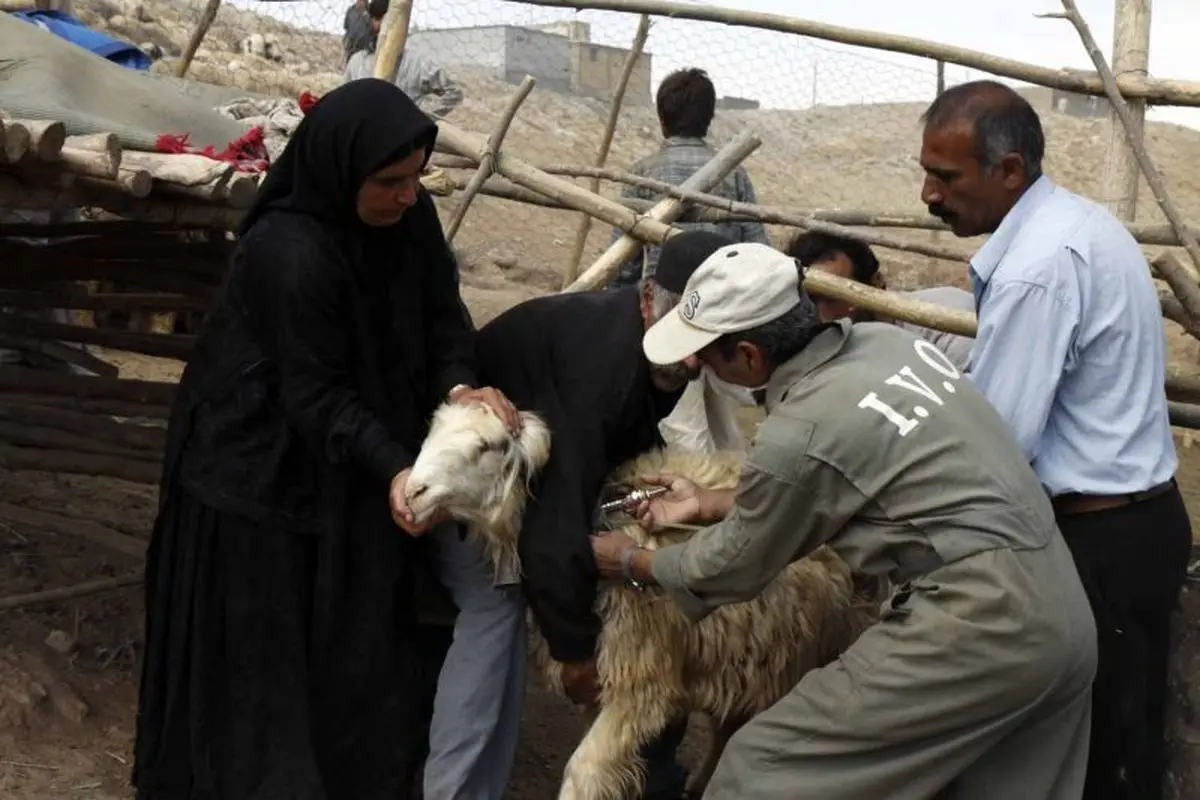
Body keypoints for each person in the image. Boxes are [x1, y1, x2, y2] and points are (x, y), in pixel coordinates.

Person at [591, 242, 1098, 799]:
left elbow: (732, 565)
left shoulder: (799, 430)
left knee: (759, 770)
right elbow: (852, 474)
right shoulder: (889, 348)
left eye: (706, 357)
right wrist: (711, 501)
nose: (694, 367)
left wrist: (634, 561)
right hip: (1060, 606)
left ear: (750, 357)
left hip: (979, 622)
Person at [130, 78, 519, 800]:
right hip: (255, 475)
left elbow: (443, 319)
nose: (408, 195)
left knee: (352, 663)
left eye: (416, 177)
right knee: (263, 672)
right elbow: (316, 394)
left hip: (349, 462)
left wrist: (459, 388)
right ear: (342, 172)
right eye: (389, 182)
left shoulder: (410, 219)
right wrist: (395, 469)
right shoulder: (289, 252)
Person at [919, 79, 1192, 799]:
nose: (929, 195)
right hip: (1136, 522)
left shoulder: (1038, 270)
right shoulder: (1078, 224)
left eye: (946, 177)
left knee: (1090, 755)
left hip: (1098, 541)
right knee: (1126, 739)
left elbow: (995, 443)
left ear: (1009, 171)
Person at [416, 230, 745, 800]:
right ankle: (456, 791)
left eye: (709, 341)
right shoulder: (603, 369)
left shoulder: (656, 354)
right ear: (648, 298)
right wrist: (573, 652)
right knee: (494, 619)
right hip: (472, 482)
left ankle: (648, 772)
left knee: (621, 628)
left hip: (524, 476)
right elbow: (554, 519)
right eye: (685, 336)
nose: (694, 360)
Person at [609, 67, 770, 287]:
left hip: (662, 298)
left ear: (661, 117)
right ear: (710, 117)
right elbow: (758, 251)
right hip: (720, 294)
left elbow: (623, 266)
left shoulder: (641, 174)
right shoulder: (735, 175)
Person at [786, 230, 975, 371]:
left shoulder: (947, 321)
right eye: (810, 301)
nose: (821, 315)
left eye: (834, 298)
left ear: (877, 283)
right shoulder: (806, 339)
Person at [344, 0, 464, 120]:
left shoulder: (415, 63)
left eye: (382, 19)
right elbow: (345, 102)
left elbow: (454, 92)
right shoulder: (357, 62)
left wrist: (419, 119)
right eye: (374, 18)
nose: (377, 25)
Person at [342, 0, 372, 66]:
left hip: (364, 46)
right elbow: (346, 26)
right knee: (349, 64)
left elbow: (372, 28)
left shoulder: (370, 12)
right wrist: (346, 39)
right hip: (351, 44)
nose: (359, 2)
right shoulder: (351, 10)